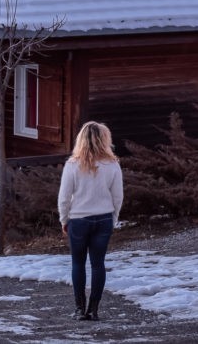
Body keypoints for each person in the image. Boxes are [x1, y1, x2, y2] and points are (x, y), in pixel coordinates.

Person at [57, 121, 123, 321]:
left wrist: (63, 219)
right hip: (103, 219)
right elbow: (118, 196)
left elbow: (64, 197)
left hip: (78, 220)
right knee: (98, 264)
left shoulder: (72, 165)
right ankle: (93, 309)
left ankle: (79, 309)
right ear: (105, 139)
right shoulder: (112, 165)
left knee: (78, 263)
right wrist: (114, 217)